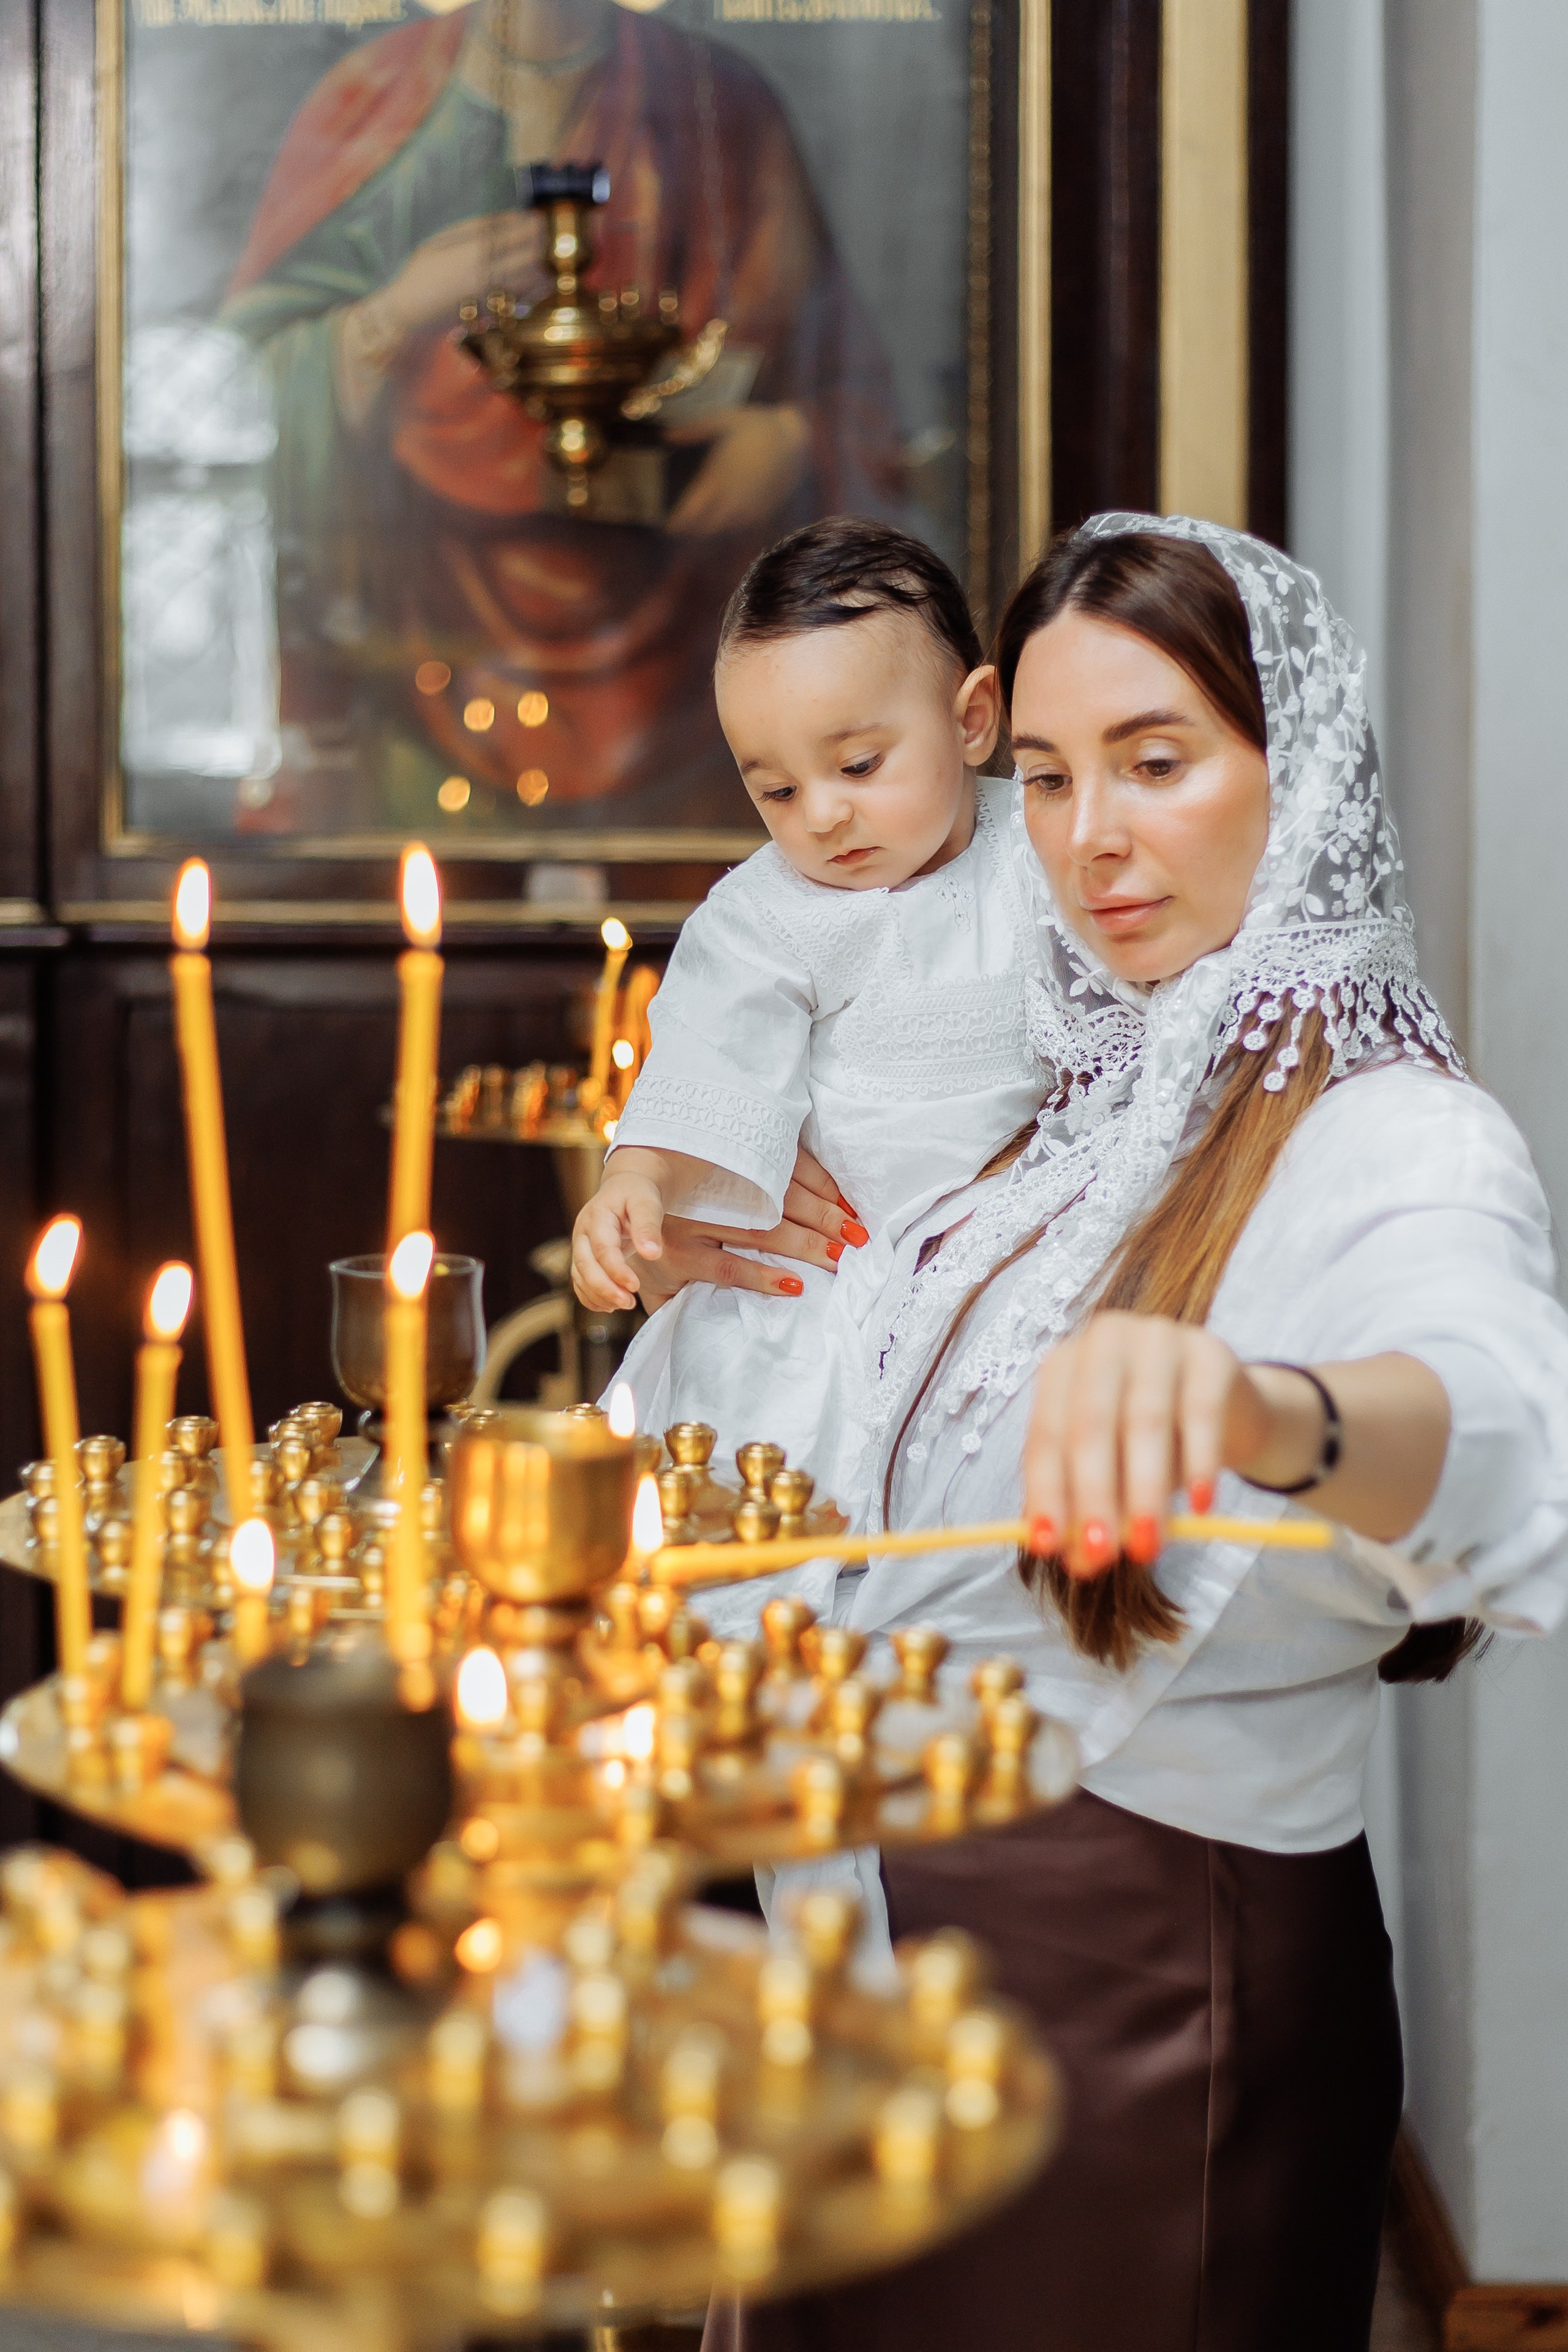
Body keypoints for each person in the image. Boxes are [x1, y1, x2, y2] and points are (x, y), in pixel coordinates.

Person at [698, 516, 1568, 2352]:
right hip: (882, 1964)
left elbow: (1498, 1430)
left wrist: (1263, 1405)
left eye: (1158, 764)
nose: (1088, 837)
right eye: (1045, 777)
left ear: (1297, 767)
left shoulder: (1390, 1132)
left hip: (1148, 2000)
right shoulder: (1068, 1122)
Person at [221, 0, 901, 834]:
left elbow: (850, 383)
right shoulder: (372, 100)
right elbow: (251, 379)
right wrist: (391, 314)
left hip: (690, 655)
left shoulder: (720, 103)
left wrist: (790, 440)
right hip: (429, 636)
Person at [571, 516, 1044, 1616]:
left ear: (972, 720)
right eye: (775, 790)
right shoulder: (769, 916)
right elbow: (707, 1057)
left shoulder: (1044, 852)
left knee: (975, 1577)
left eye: (859, 765)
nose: (822, 815)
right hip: (823, 1291)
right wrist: (634, 1182)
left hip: (1009, 1283)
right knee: (769, 1567)